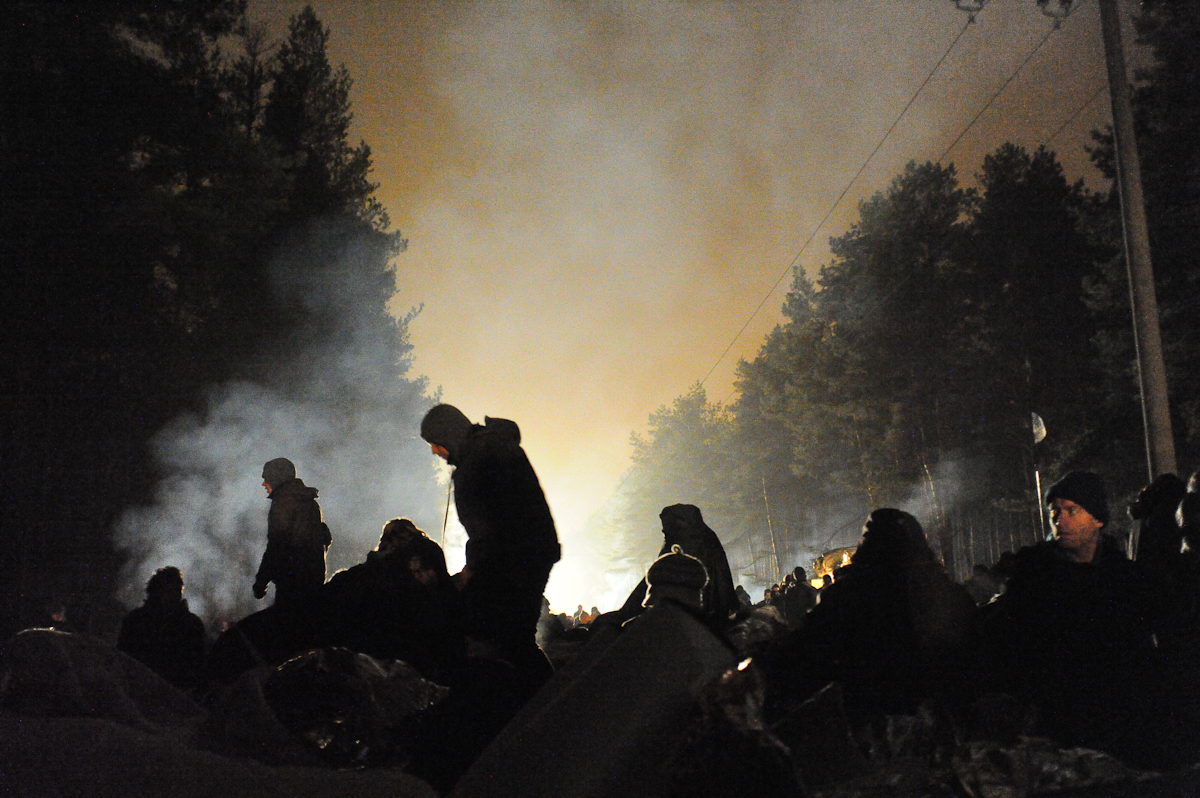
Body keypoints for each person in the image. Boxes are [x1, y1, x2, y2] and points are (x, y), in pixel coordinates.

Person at [978, 470, 1189, 767]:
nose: (1059, 520)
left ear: (1098, 519)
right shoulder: (1034, 578)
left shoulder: (1127, 578)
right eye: (1055, 511)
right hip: (1059, 720)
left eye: (1072, 511)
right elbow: (1009, 645)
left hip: (1123, 718)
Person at [762, 509, 976, 725]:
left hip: (870, 724)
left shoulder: (847, 596)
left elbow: (806, 652)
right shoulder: (950, 594)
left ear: (866, 545)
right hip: (942, 722)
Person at [420, 404, 561, 693]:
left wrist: (471, 571)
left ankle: (529, 702)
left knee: (491, 633)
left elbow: (485, 526)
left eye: (436, 443)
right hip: (533, 552)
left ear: (449, 434)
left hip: (510, 560)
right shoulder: (496, 447)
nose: (435, 451)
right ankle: (549, 698)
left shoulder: (476, 461)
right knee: (516, 636)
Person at [252, 457, 330, 608]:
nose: (264, 483)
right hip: (314, 583)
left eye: (267, 478)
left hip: (291, 586)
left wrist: (261, 582)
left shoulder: (283, 504)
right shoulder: (310, 503)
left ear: (277, 478)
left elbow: (277, 546)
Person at [118, 566, 207, 692]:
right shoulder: (136, 620)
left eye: (176, 591)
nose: (172, 597)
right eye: (168, 591)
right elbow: (124, 659)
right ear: (156, 592)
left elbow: (196, 667)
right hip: (141, 690)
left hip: (176, 693)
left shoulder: (191, 624)